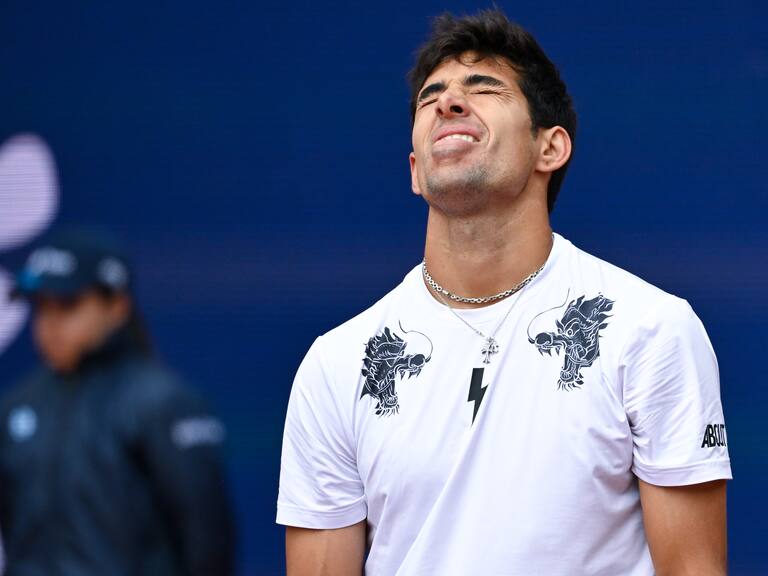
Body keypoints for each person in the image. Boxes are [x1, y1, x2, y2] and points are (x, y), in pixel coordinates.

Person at [276, 9, 731, 576]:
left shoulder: (651, 329)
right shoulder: (336, 363)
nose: (448, 103)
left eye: (483, 88)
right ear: (416, 170)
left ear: (551, 148)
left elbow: (694, 569)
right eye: (431, 97)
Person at [0, 229, 235, 576]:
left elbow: (208, 537)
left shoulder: (164, 404)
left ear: (117, 306)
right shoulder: (16, 406)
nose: (50, 324)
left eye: (68, 305)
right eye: (41, 307)